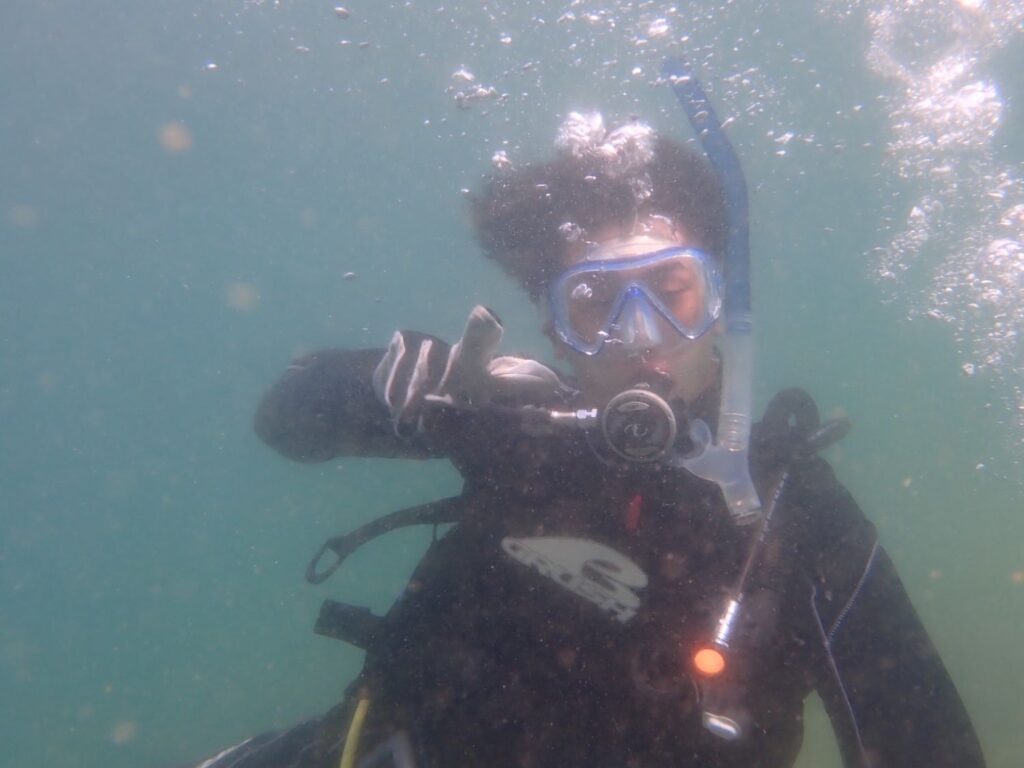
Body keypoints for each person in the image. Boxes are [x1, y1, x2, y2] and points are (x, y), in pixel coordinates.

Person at [185, 69, 986, 768]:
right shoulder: (513, 426)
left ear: (721, 306)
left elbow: (931, 748)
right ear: (552, 328)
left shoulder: (792, 512)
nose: (639, 337)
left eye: (671, 292)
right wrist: (390, 389)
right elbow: (283, 417)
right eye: (596, 302)